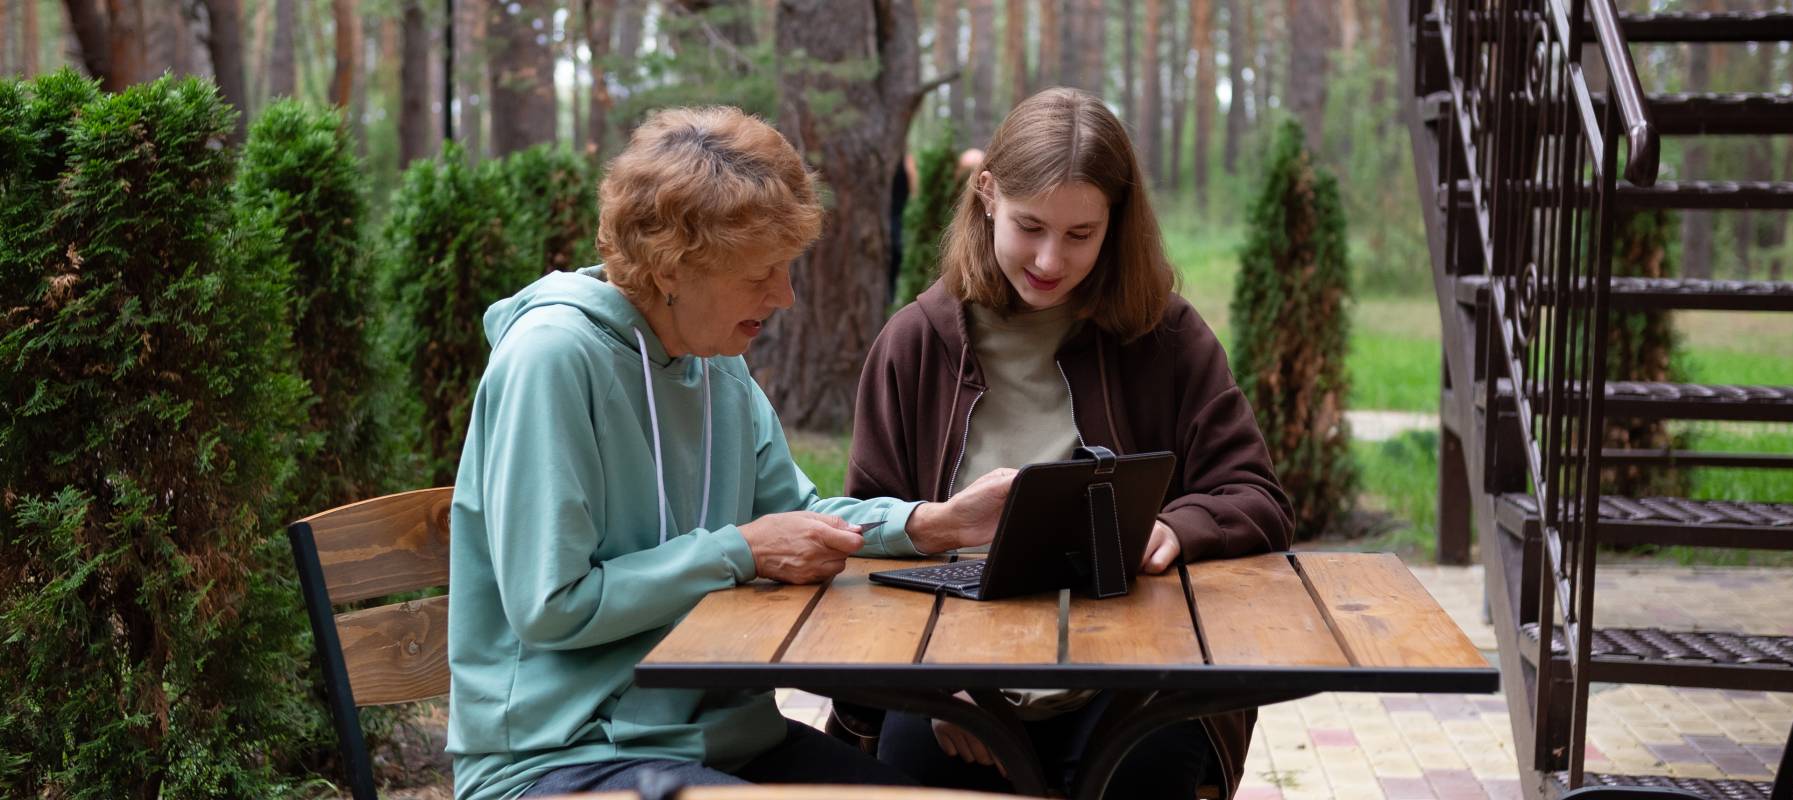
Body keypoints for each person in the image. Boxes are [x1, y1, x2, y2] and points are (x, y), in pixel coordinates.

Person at [445, 106, 1018, 800]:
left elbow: (796, 515)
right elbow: (550, 606)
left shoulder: (714, 357)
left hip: (723, 743)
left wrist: (935, 524)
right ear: (671, 267)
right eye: (761, 275)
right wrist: (737, 551)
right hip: (561, 755)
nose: (785, 296)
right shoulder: (553, 359)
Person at [844, 88, 1296, 799]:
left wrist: (1177, 527)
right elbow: (866, 534)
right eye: (1030, 226)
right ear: (987, 195)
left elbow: (1257, 497)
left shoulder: (1165, 335)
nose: (1051, 260)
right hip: (955, 677)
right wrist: (935, 682)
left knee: (1150, 760)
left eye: (1081, 235)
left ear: (1116, 224)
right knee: (915, 759)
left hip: (1134, 674)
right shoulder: (915, 344)